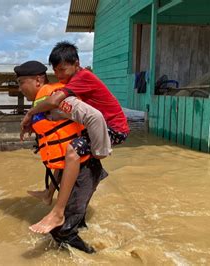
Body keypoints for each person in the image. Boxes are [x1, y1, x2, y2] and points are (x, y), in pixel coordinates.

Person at [22, 42, 130, 234]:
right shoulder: (73, 81)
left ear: (76, 64)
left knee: (73, 150)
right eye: (56, 71)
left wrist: (31, 113)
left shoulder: (82, 77)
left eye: (63, 69)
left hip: (113, 128)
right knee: (65, 147)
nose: (60, 75)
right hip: (98, 125)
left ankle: (58, 212)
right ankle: (49, 194)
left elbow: (55, 101)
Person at [14, 60, 108, 253]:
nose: (19, 87)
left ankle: (98, 256)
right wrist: (31, 122)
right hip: (70, 170)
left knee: (60, 230)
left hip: (84, 168)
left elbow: (91, 115)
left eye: (21, 82)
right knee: (76, 221)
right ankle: (84, 238)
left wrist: (100, 151)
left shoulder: (54, 95)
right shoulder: (42, 101)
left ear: (38, 80)